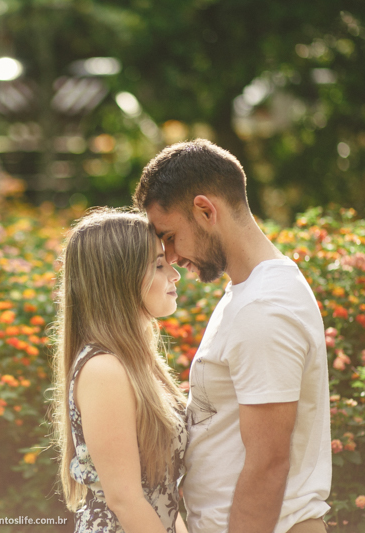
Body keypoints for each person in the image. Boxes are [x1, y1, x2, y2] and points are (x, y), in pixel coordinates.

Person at [133, 139, 331, 533]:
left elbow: (268, 465)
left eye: (169, 236)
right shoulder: (248, 293)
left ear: (205, 210)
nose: (170, 256)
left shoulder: (264, 307)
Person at [50, 208, 189, 533]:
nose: (175, 274)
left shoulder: (136, 362)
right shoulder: (104, 370)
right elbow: (125, 499)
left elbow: (163, 497)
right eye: (158, 265)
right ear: (120, 278)